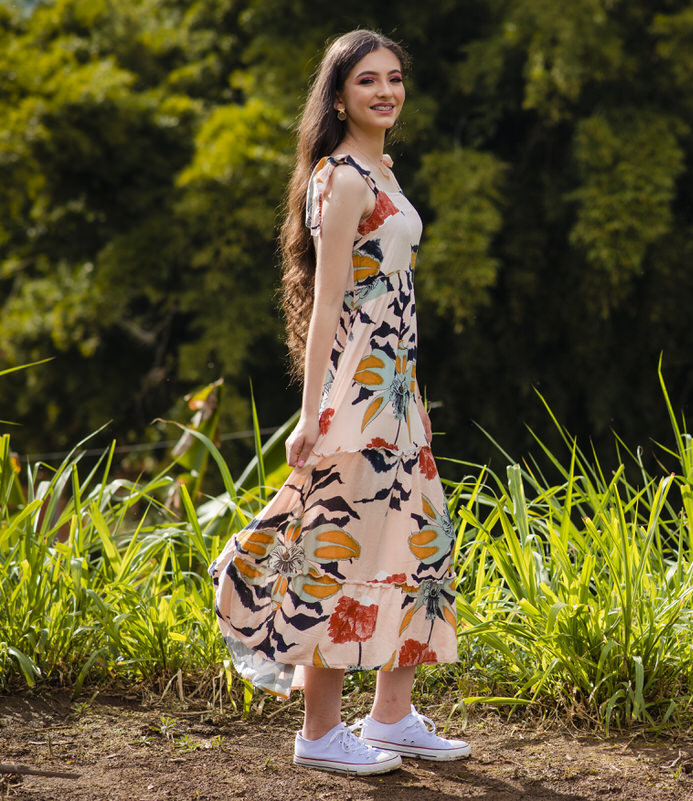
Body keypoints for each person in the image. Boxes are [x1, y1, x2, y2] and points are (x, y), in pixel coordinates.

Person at [208, 29, 467, 776]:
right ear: (339, 95)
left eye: (394, 79)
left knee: (417, 546)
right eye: (367, 82)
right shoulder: (343, 177)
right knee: (339, 550)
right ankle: (320, 732)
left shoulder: (381, 167)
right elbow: (325, 307)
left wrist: (405, 399)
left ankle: (392, 714)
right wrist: (313, 409)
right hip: (357, 394)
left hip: (396, 393)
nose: (385, 91)